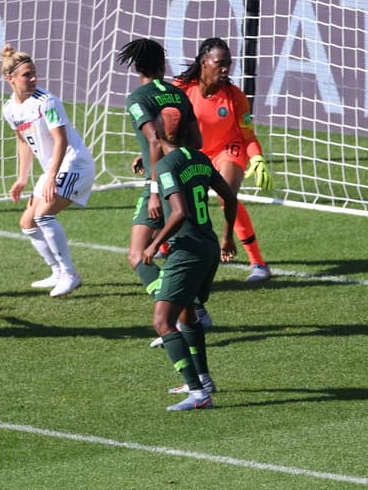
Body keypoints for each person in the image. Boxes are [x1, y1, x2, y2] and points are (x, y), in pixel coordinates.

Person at [141, 106, 238, 411]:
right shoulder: (199, 158)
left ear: (155, 134)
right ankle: (204, 380)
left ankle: (197, 392)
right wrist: (227, 236)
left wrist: (153, 244)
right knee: (187, 314)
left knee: (162, 321)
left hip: (187, 251)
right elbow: (230, 196)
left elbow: (180, 212)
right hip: (208, 245)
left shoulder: (168, 165)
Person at [116, 38, 210, 347]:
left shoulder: (137, 98)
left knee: (137, 256)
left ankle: (183, 311)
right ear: (162, 64)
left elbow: (155, 140)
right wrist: (148, 155)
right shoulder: (178, 94)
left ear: (137, 67)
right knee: (173, 249)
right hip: (184, 176)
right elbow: (194, 140)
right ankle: (188, 311)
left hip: (161, 184)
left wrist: (155, 190)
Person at [174, 37, 275, 282]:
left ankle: (257, 262)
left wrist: (258, 158)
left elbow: (248, 135)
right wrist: (148, 151)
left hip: (227, 150)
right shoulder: (181, 88)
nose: (226, 69)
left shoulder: (235, 96)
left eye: (228, 63)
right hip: (196, 152)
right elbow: (164, 124)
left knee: (227, 195)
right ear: (203, 62)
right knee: (174, 193)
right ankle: (167, 247)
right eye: (220, 63)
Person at [0, 45, 95, 298]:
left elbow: (61, 140)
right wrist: (22, 178)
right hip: (55, 166)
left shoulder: (47, 102)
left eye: (34, 74)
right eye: (26, 75)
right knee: (27, 223)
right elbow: (23, 140)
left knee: (43, 216)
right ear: (10, 79)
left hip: (75, 164)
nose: (33, 79)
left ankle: (70, 274)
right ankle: (56, 272)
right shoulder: (10, 109)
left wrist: (50, 177)